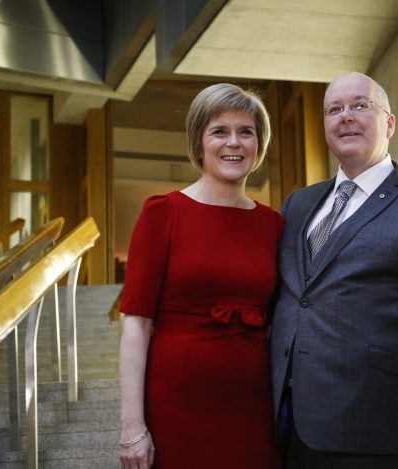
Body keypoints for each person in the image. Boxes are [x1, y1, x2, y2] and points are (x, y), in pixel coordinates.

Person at [270, 72, 398, 469]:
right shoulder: (298, 205)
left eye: (360, 105)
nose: (346, 116)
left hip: (374, 432)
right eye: (334, 109)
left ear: (390, 123)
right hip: (290, 428)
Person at [118, 83, 284, 469]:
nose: (235, 143)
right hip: (177, 406)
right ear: (198, 143)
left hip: (253, 407)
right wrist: (132, 428)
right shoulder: (164, 212)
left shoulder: (274, 225)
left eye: (247, 132)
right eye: (219, 131)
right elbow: (136, 327)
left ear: (259, 145)